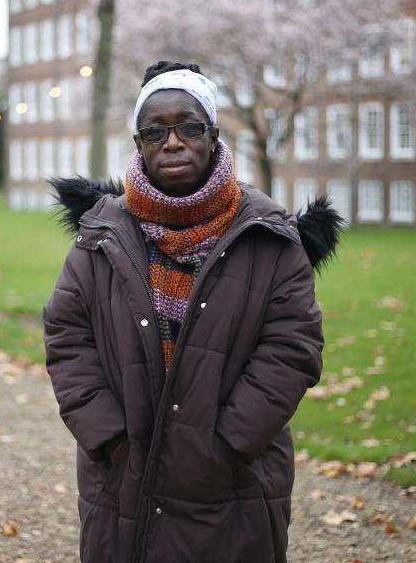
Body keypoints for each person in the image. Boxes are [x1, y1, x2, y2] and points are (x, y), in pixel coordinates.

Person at [43, 60, 342, 563]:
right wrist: (110, 437)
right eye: (155, 131)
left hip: (234, 483)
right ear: (138, 145)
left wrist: (225, 445)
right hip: (124, 480)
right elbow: (67, 336)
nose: (173, 141)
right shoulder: (101, 234)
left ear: (214, 135)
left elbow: (292, 348)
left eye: (189, 126)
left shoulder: (267, 235)